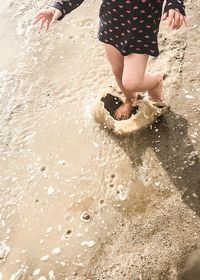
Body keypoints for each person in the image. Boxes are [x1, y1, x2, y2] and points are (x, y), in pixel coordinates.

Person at [33, 0, 187, 120]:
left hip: (141, 30)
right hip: (111, 26)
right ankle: (130, 99)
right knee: (118, 70)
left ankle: (156, 81)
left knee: (132, 82)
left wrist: (175, 4)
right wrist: (59, 6)